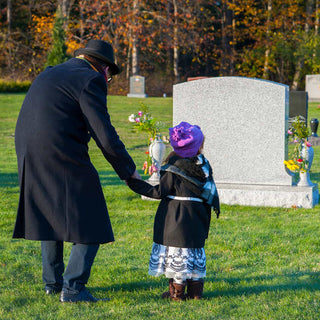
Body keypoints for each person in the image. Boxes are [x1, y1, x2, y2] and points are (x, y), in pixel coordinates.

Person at [13, 40, 140, 303]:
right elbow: (104, 134)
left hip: (28, 150)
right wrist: (128, 171)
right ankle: (73, 288)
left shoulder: (49, 72)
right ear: (103, 68)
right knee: (92, 217)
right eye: (110, 75)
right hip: (59, 151)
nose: (108, 79)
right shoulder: (90, 79)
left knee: (49, 213)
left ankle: (53, 283)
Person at [127, 122, 220, 301]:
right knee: (193, 251)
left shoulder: (173, 165)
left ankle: (176, 294)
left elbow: (160, 192)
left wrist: (135, 183)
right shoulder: (203, 164)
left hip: (177, 216)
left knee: (178, 252)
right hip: (198, 214)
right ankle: (195, 293)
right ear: (198, 145)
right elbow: (209, 191)